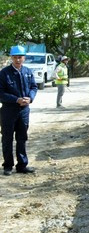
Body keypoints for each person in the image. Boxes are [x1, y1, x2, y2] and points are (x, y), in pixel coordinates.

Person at [1, 45, 38, 175]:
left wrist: (30, 98)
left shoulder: (27, 71)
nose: (18, 60)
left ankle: (22, 165)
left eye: (20, 57)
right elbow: (1, 93)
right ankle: (8, 166)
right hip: (8, 111)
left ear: (24, 58)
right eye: (15, 57)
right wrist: (16, 99)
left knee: (22, 138)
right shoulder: (4, 73)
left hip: (24, 111)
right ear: (11, 57)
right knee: (7, 138)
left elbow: (34, 87)